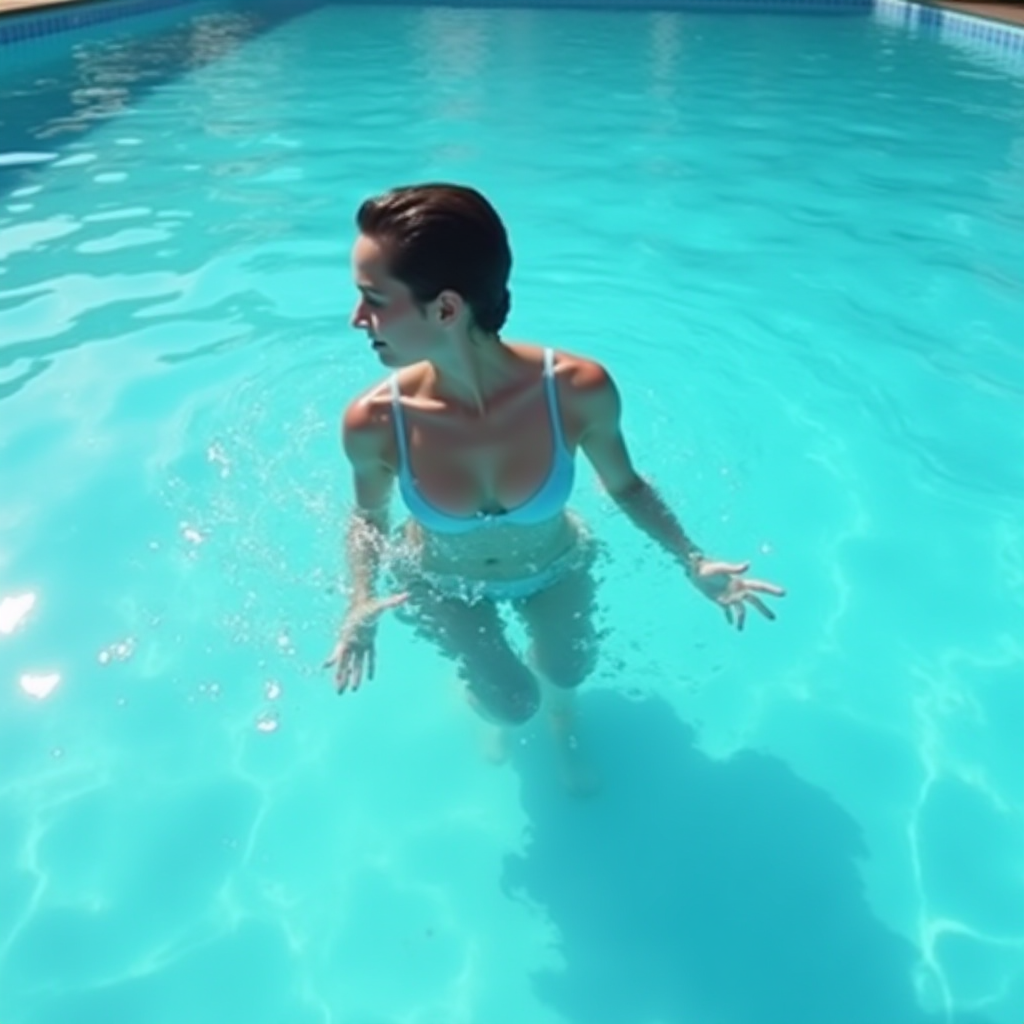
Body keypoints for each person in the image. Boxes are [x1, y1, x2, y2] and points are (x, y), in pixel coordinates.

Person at [325, 183, 784, 789]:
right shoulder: (377, 422)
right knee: (510, 701)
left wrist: (690, 559)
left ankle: (563, 725)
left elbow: (626, 486)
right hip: (442, 583)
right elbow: (367, 520)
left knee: (568, 673)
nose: (357, 318)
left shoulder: (573, 389)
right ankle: (492, 700)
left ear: (445, 310)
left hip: (555, 564)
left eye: (374, 300)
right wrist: (359, 601)